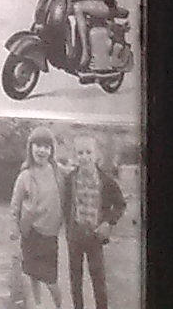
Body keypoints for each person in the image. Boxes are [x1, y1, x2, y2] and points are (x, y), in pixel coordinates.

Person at [60, 131, 127, 309]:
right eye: (80, 153)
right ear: (75, 156)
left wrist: (108, 222)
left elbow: (120, 204)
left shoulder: (106, 181)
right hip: (75, 236)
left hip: (95, 237)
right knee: (75, 278)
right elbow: (65, 205)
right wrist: (67, 228)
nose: (84, 157)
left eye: (88, 152)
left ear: (97, 155)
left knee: (98, 279)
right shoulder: (70, 179)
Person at [9, 128, 65, 308]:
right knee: (32, 274)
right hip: (31, 233)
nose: (42, 150)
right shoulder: (25, 176)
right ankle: (38, 305)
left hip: (50, 235)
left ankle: (59, 305)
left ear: (52, 150)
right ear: (31, 148)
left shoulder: (58, 173)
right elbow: (15, 205)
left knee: (51, 280)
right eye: (38, 146)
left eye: (46, 147)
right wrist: (14, 227)